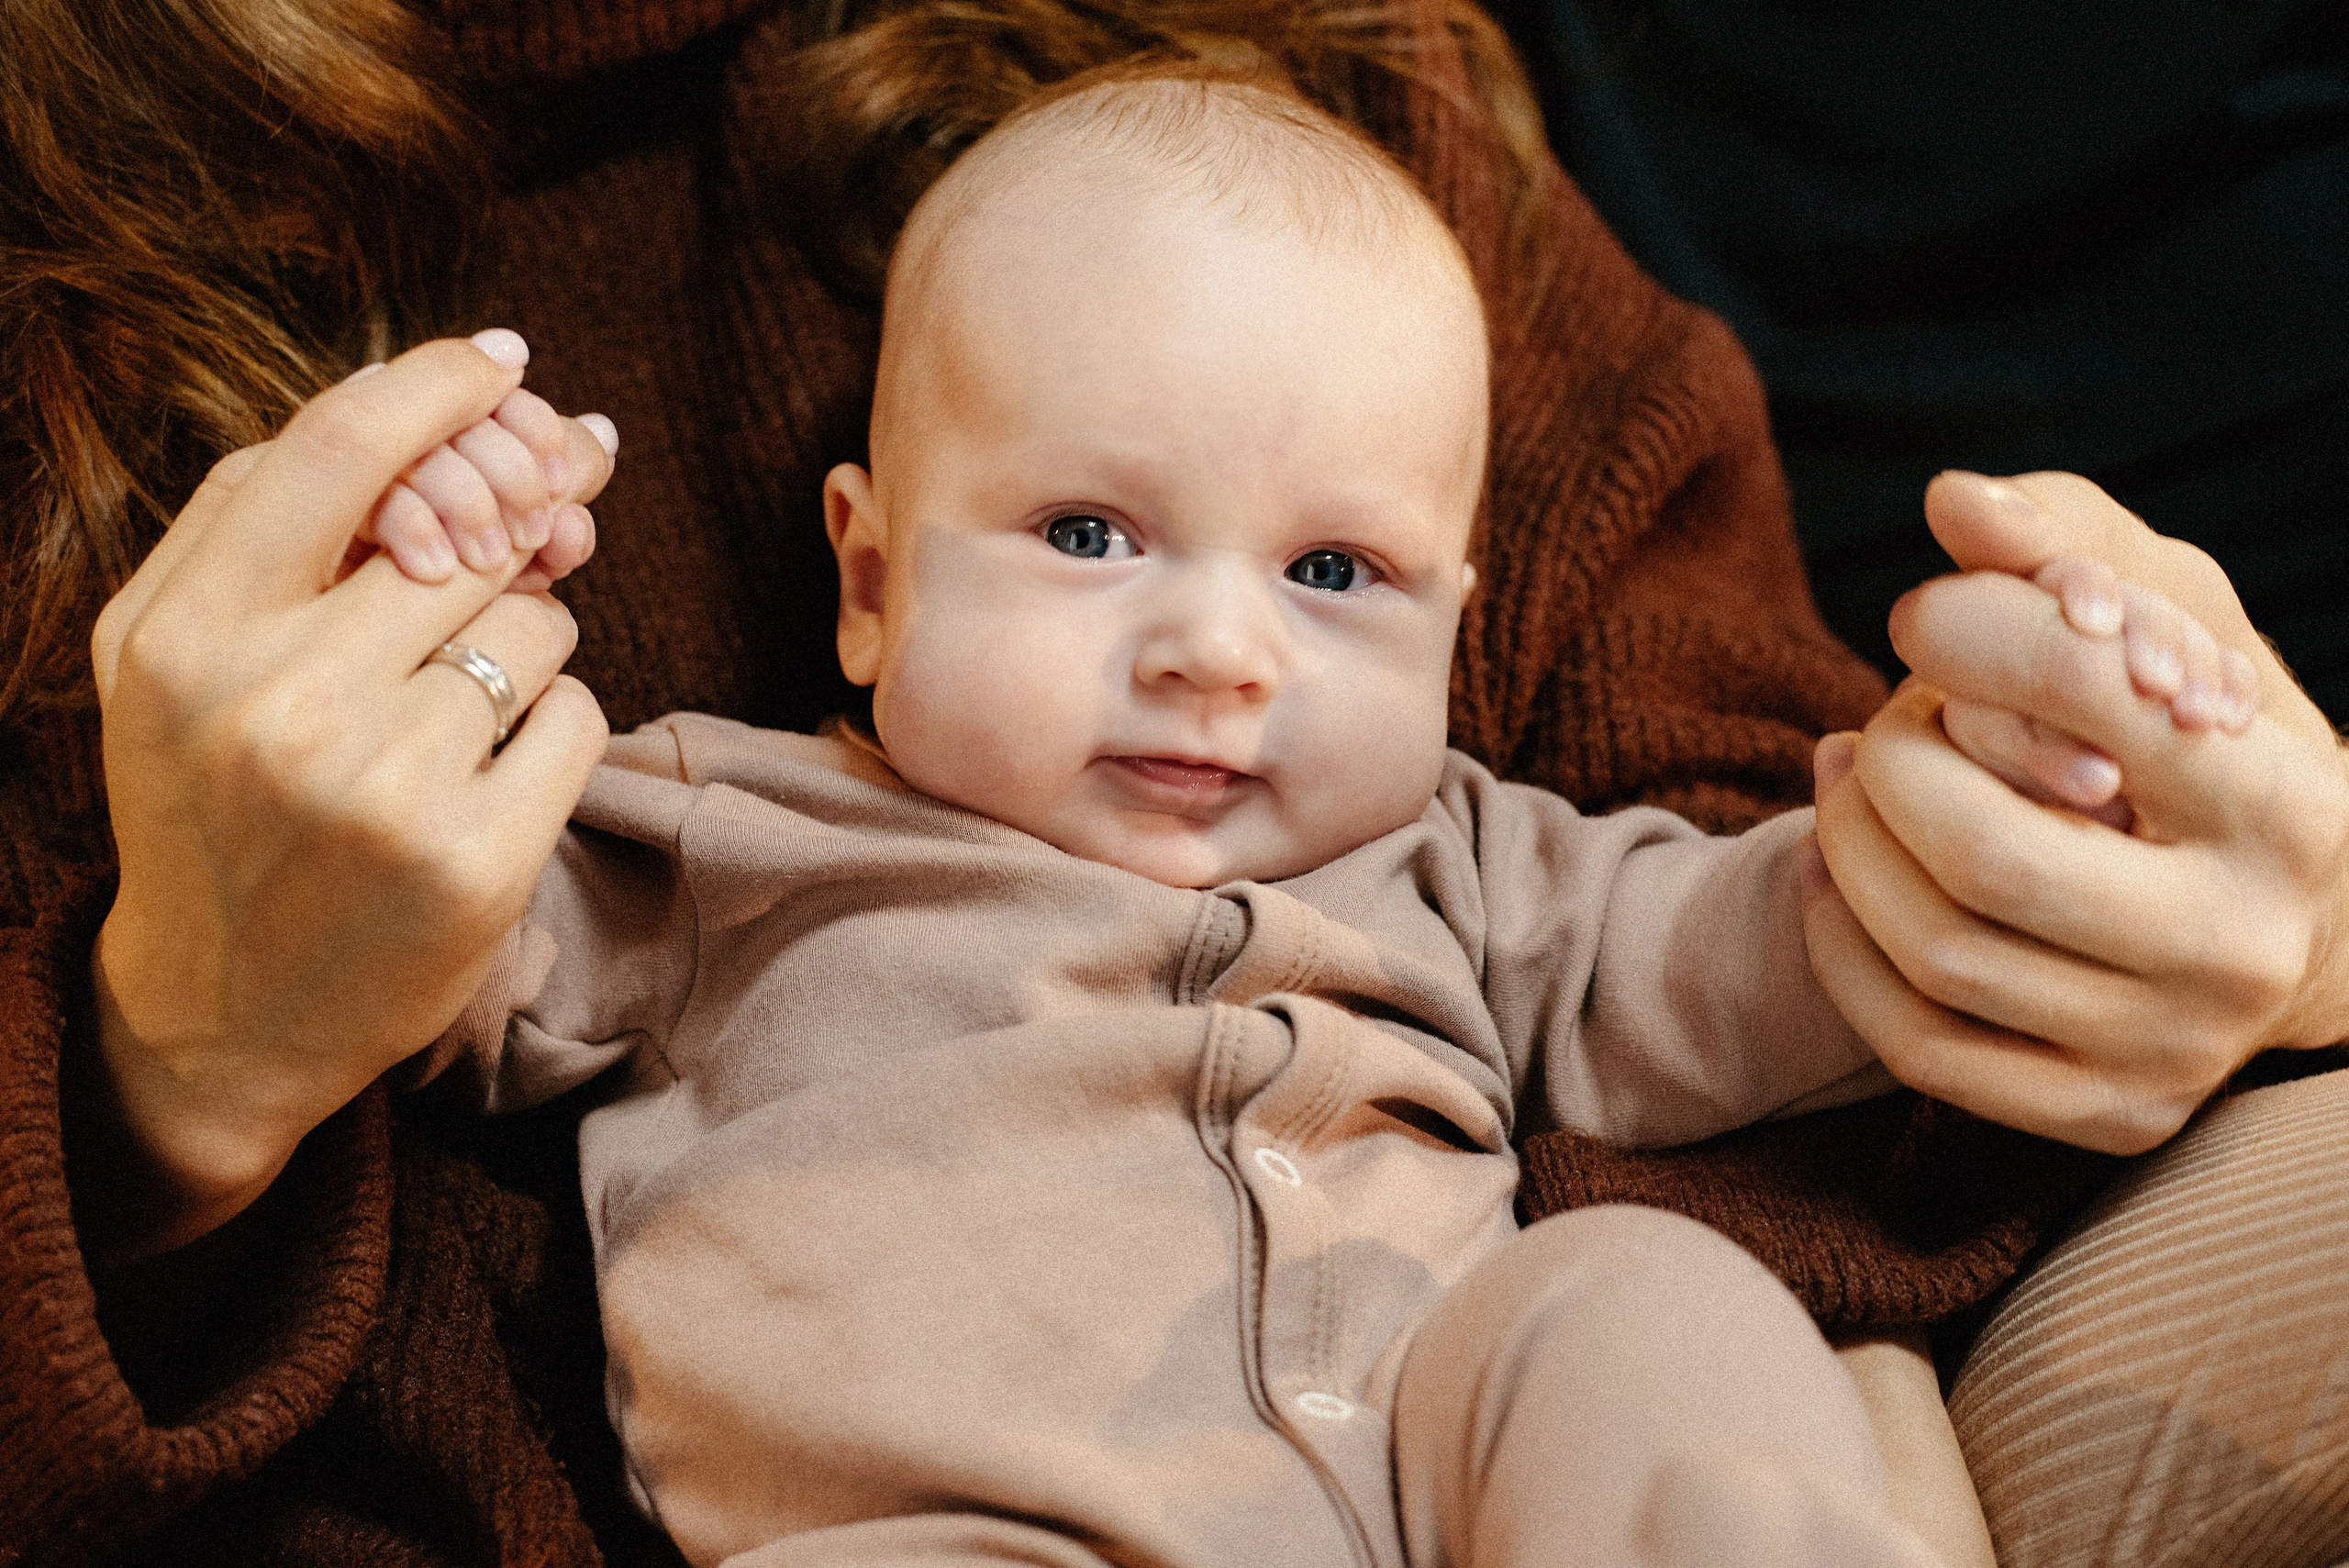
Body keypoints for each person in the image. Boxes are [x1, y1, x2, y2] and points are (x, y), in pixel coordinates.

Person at [5, 1, 2345, 1564]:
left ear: (1449, 627)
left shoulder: (1457, 857)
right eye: (1087, 536)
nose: (1217, 649)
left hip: (1434, 1480)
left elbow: (1731, 954)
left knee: (1622, 1298)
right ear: (865, 582)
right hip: (934, 1522)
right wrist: (406, 637)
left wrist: (1978, 821)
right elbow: (400, 926)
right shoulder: (724, 830)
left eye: (1332, 575)